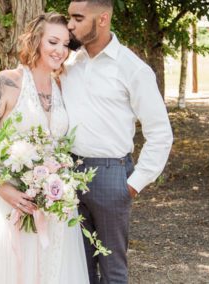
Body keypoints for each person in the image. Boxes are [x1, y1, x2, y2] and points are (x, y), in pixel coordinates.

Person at [0, 12, 89, 284]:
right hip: (15, 201)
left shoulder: (61, 84)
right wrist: (3, 188)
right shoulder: (8, 82)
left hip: (56, 204)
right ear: (36, 41)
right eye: (53, 42)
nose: (60, 51)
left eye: (66, 44)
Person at [62, 1, 174, 283]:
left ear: (102, 19)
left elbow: (160, 132)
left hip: (112, 177)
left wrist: (133, 185)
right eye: (69, 17)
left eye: (77, 18)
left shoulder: (132, 68)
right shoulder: (67, 62)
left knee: (113, 271)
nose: (70, 25)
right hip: (66, 177)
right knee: (77, 268)